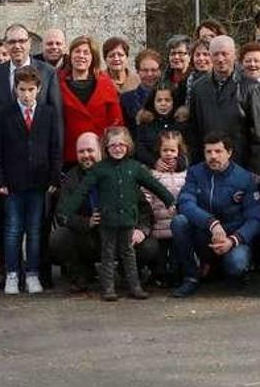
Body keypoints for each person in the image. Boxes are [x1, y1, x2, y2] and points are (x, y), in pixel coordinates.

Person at [60, 126, 175, 301]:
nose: (118, 148)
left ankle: (134, 286)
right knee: (108, 254)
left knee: (128, 254)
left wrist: (169, 200)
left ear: (128, 145)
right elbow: (82, 191)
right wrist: (67, 210)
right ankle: (108, 288)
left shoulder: (134, 168)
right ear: (106, 147)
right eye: (113, 145)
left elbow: (153, 185)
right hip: (107, 222)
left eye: (121, 144)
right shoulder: (99, 170)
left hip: (128, 221)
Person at [0, 66, 62, 295]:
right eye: (22, 90)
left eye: (31, 90)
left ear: (39, 89)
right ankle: (12, 273)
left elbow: (54, 147)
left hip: (39, 182)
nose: (26, 95)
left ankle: (32, 273)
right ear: (16, 89)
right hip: (12, 182)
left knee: (34, 229)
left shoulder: (48, 113)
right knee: (12, 230)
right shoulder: (6, 113)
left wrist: (54, 177)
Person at [170, 132, 260, 298]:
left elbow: (256, 219)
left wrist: (233, 240)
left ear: (229, 152)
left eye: (218, 151)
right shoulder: (195, 173)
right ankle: (191, 277)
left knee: (237, 265)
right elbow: (185, 202)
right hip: (204, 233)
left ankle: (230, 273)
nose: (213, 156)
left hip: (232, 237)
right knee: (179, 221)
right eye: (209, 152)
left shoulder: (245, 178)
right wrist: (211, 223)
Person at [187, 35, 260, 176]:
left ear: (234, 55)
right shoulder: (198, 88)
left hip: (240, 166)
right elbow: (193, 132)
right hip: (207, 166)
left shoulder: (250, 87)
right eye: (216, 54)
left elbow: (259, 135)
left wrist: (254, 171)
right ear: (210, 56)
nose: (220, 59)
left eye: (225, 54)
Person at [58, 35, 123, 164]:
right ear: (70, 56)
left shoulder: (106, 84)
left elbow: (116, 122)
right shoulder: (57, 84)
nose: (81, 56)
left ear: (93, 57)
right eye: (77, 51)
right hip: (70, 154)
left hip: (100, 153)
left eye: (86, 53)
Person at [142, 130, 188, 284]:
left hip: (176, 223)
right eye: (165, 150)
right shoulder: (153, 174)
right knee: (160, 255)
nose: (168, 154)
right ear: (159, 151)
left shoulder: (185, 175)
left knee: (176, 253)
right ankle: (158, 275)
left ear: (179, 151)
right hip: (158, 224)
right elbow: (146, 196)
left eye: (172, 150)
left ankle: (176, 276)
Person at [135, 83, 186, 167]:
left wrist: (178, 163)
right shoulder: (145, 122)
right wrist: (154, 162)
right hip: (151, 171)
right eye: (159, 100)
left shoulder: (181, 123)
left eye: (167, 100)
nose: (163, 104)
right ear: (153, 102)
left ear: (174, 101)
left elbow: (190, 149)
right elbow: (139, 148)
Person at [120, 48, 163, 136]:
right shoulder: (126, 99)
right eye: (145, 70)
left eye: (154, 70)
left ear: (160, 71)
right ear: (138, 72)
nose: (149, 74)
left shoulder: (170, 96)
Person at [239, 41, 260, 122]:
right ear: (241, 64)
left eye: (256, 61)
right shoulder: (236, 87)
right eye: (248, 61)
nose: (252, 64)